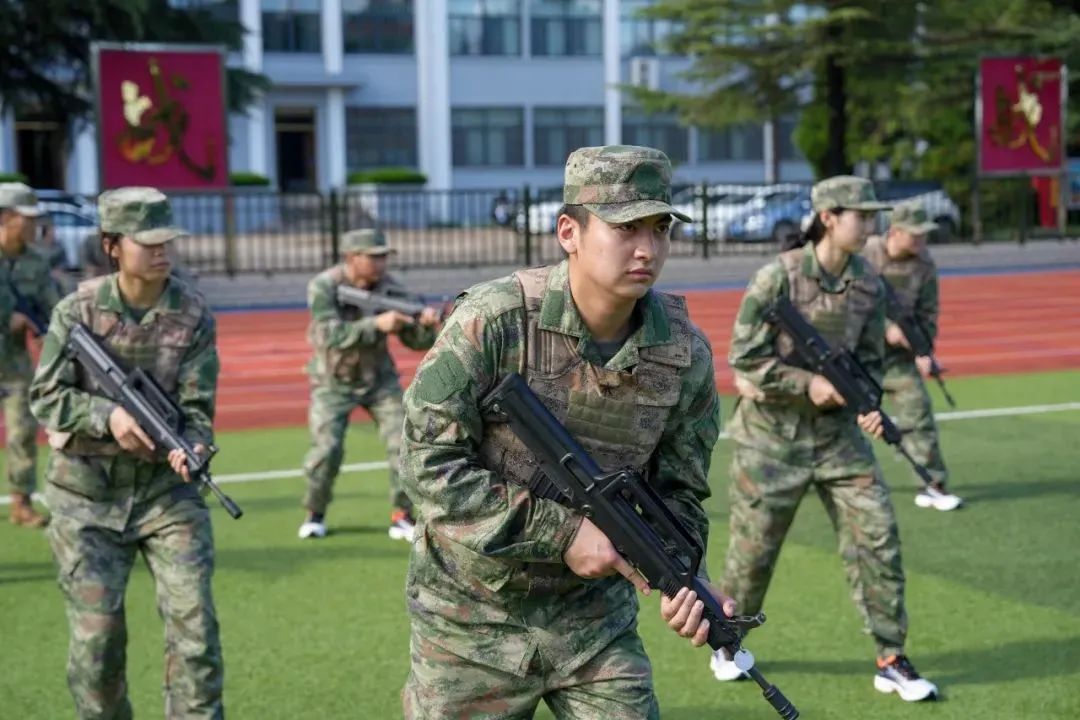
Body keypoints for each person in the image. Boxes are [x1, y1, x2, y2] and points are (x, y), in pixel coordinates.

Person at [399, 145, 733, 719]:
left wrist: (686, 572)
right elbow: (427, 463)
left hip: (593, 624)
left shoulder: (683, 355)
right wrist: (564, 534)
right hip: (469, 624)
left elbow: (680, 492)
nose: (647, 249)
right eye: (626, 228)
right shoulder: (494, 322)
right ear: (568, 232)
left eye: (659, 228)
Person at [710, 176, 939, 702]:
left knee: (878, 538)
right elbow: (743, 357)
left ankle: (891, 655)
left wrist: (867, 403)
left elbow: (873, 365)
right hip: (771, 441)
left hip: (839, 441)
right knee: (753, 555)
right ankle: (727, 641)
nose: (873, 224)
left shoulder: (869, 283)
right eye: (862, 215)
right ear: (830, 217)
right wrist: (804, 383)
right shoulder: (778, 278)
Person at [29, 187, 225, 718]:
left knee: (196, 635)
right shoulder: (77, 311)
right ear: (112, 245)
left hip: (167, 494)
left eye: (168, 241)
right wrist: (108, 416)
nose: (162, 252)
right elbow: (44, 396)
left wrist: (196, 444)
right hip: (85, 500)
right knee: (98, 649)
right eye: (148, 242)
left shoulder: (193, 313)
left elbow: (198, 405)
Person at [298, 228, 439, 541]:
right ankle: (315, 512)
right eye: (373, 257)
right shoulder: (325, 286)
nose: (380, 263)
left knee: (404, 443)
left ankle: (401, 515)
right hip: (332, 381)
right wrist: (375, 324)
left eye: (383, 256)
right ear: (351, 258)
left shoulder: (392, 290)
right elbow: (326, 336)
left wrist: (426, 326)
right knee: (327, 450)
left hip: (379, 380)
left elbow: (415, 342)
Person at [862, 202, 962, 511]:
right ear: (895, 231)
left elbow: (928, 313)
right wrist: (885, 329)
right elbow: (847, 303)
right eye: (915, 234)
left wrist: (923, 350)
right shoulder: (864, 255)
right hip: (855, 356)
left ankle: (932, 483)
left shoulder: (924, 265)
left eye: (924, 234)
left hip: (896, 359)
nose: (921, 241)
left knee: (918, 412)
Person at [0, 182, 60, 527]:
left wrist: (50, 332)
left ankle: (21, 503)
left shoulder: (36, 262)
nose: (33, 224)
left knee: (22, 431)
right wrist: (8, 318)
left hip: (13, 363)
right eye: (26, 218)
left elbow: (52, 307)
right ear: (7, 218)